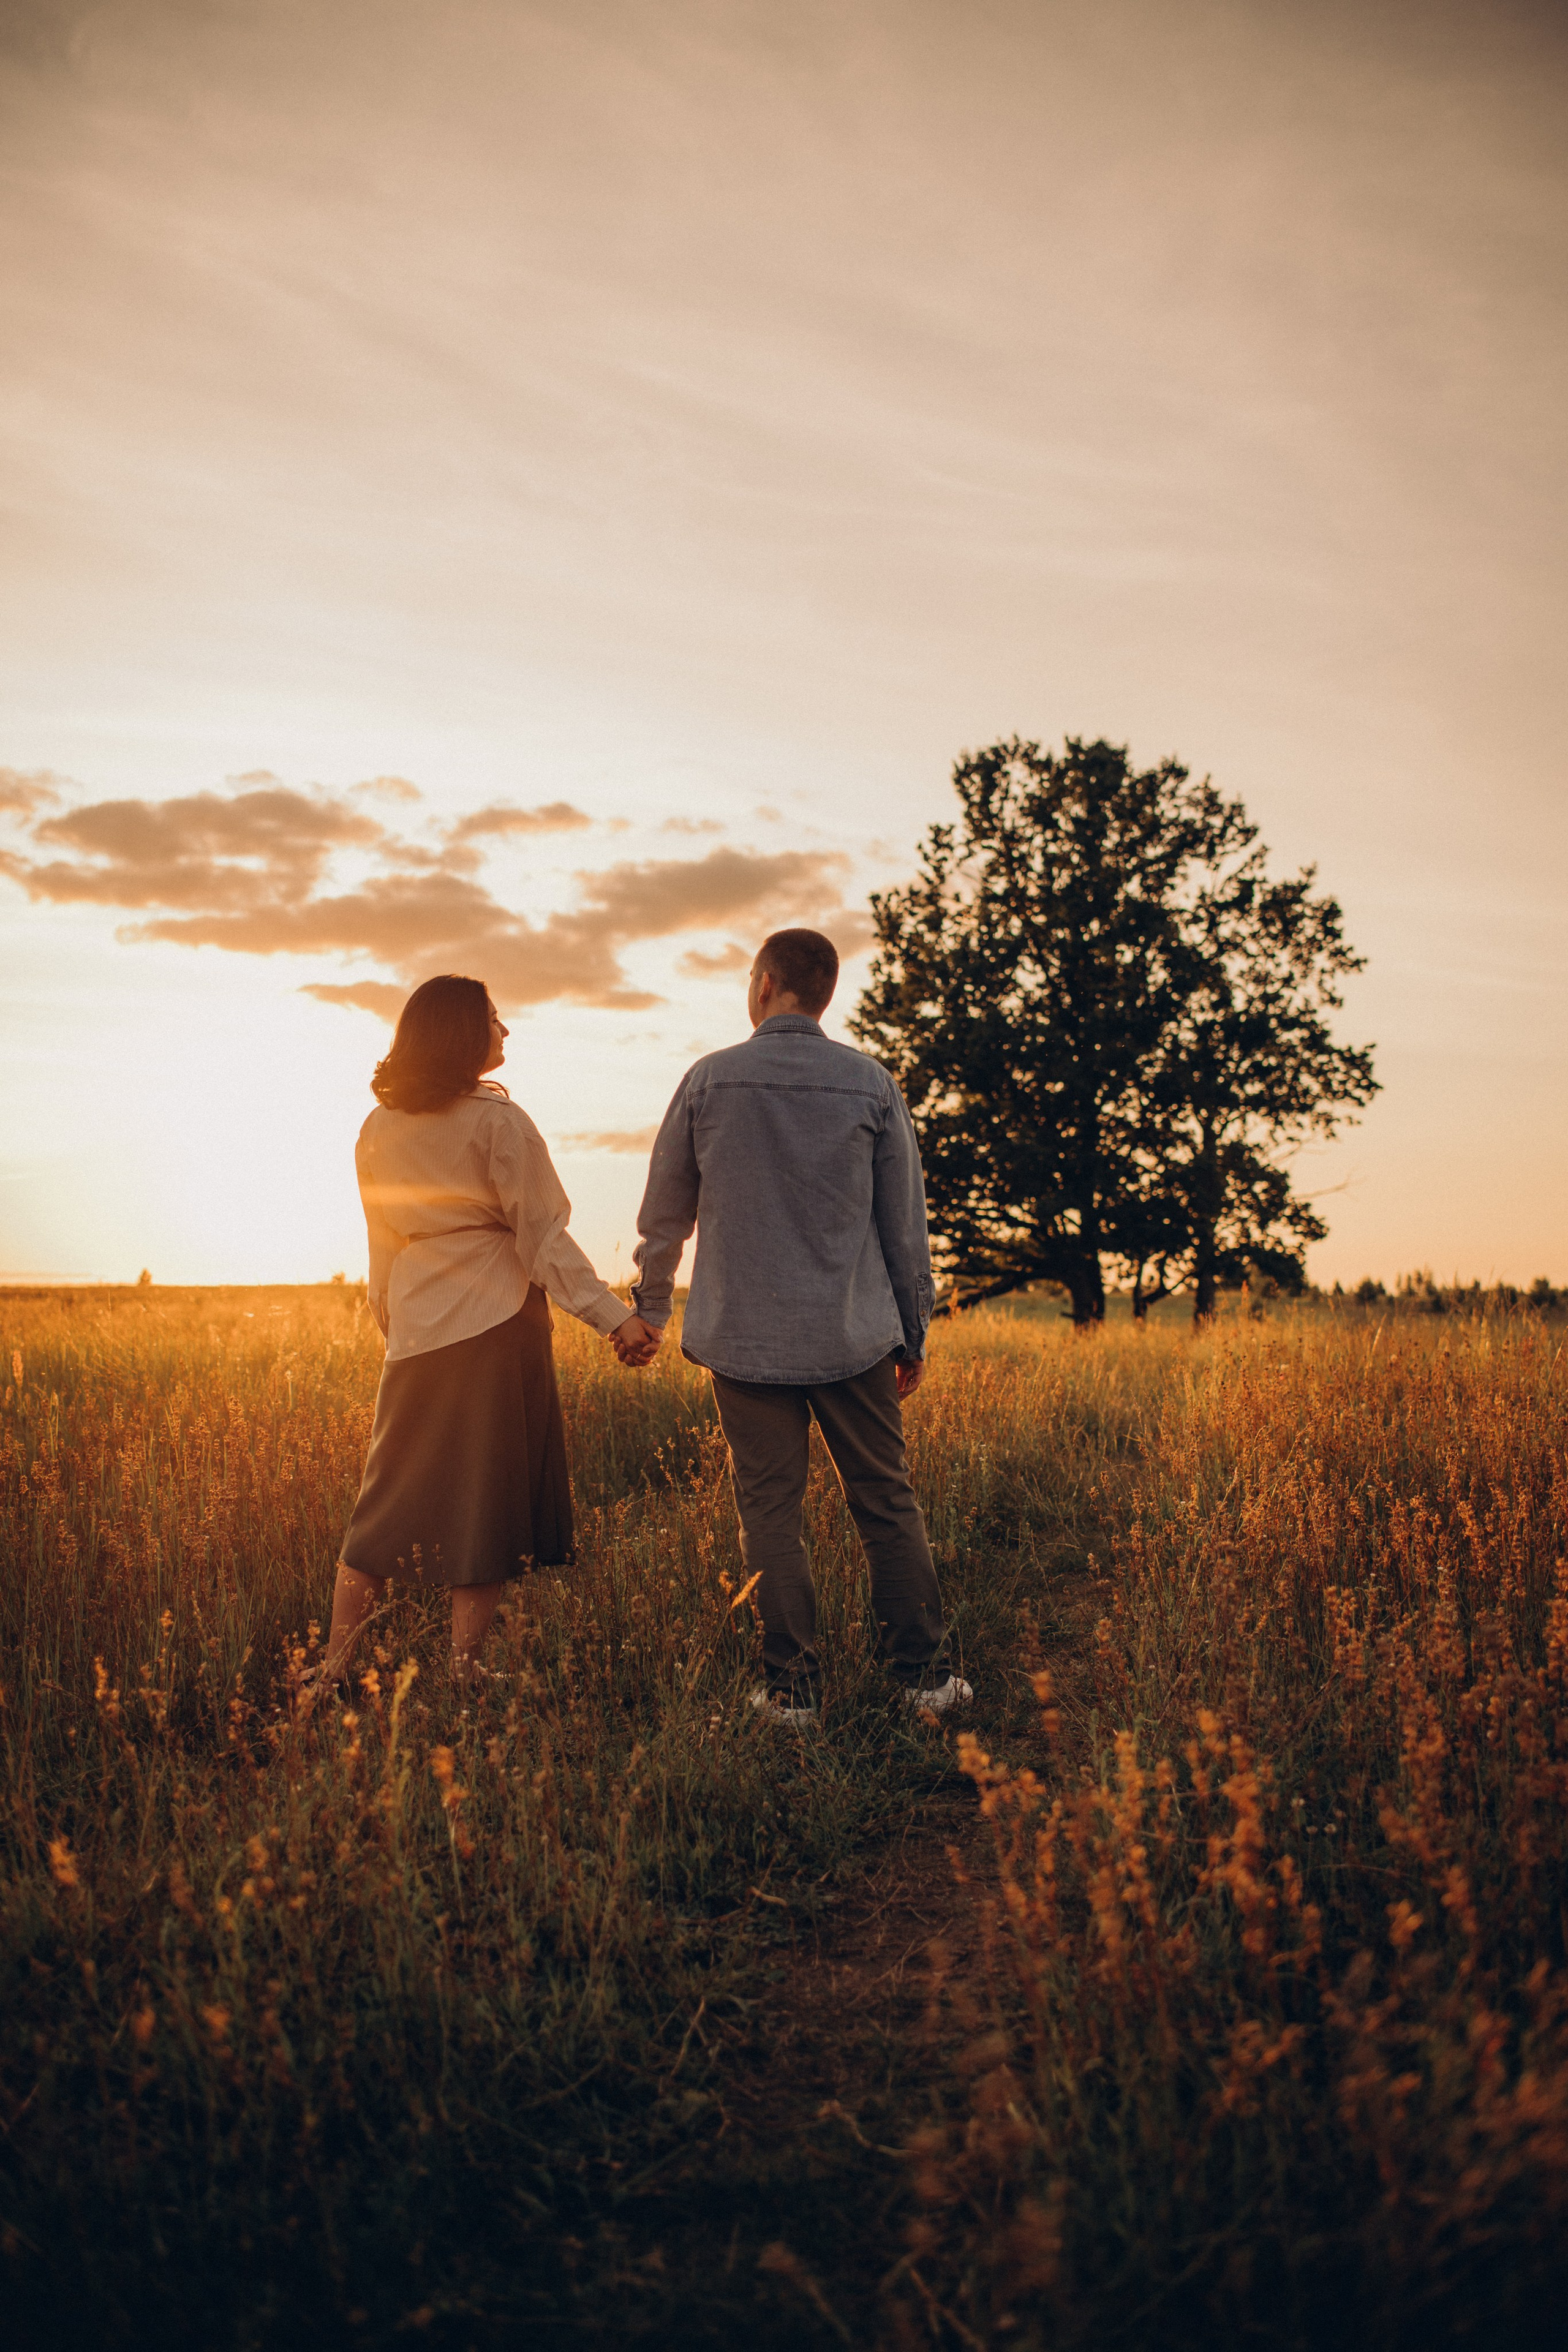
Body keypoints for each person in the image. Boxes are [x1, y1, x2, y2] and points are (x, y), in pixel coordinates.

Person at [620, 927, 970, 1724]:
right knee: (886, 1502)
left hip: (745, 1343)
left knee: (770, 1513)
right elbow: (904, 1230)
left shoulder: (709, 1080)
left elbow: (663, 1215)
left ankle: (793, 1695)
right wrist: (912, 1336)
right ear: (825, 993)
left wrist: (650, 1307)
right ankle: (923, 1684)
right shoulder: (871, 1085)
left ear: (767, 982)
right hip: (852, 1338)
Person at [306, 974, 659, 1702]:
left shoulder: (377, 1129)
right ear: (463, 1034)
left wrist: (398, 1329)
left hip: (417, 1328)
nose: (506, 1033)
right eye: (495, 1021)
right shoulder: (500, 1123)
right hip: (497, 1323)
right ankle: (463, 1671)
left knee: (385, 1496)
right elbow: (543, 1239)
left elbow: (382, 1248)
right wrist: (614, 1318)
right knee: (485, 1499)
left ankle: (336, 1664)